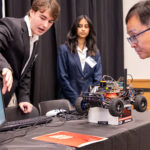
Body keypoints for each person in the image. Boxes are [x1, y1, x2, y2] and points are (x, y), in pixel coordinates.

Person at [0, 0, 60, 113]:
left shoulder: (35, 38)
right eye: (42, 18)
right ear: (32, 12)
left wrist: (23, 98)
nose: (45, 25)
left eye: (50, 22)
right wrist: (4, 67)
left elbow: (25, 71)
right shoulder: (11, 25)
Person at [57, 15, 102, 105]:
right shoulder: (64, 49)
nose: (83, 29)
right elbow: (62, 77)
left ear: (90, 30)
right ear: (75, 28)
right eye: (80, 26)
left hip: (89, 102)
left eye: (86, 26)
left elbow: (97, 78)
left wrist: (89, 98)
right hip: (68, 101)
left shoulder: (95, 52)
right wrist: (76, 100)